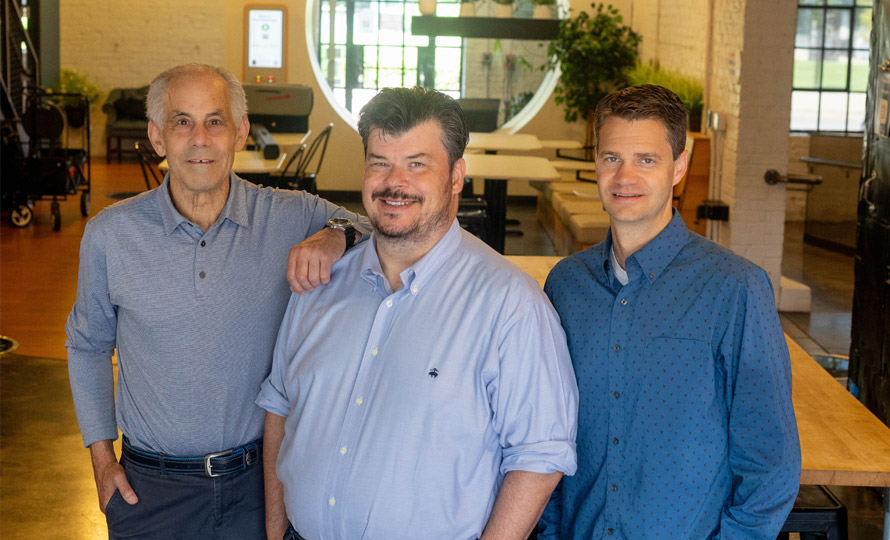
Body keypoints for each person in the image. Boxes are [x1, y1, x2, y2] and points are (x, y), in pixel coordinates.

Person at [257, 86, 579, 540]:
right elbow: (280, 408)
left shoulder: (511, 304)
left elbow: (540, 456)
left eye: (417, 164)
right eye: (379, 162)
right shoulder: (317, 285)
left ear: (455, 176)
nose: (394, 182)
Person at [66, 63, 370, 539]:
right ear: (157, 136)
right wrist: (101, 460)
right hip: (149, 491)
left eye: (215, 121)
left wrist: (336, 234)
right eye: (182, 121)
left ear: (241, 132)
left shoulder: (288, 214)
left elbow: (378, 226)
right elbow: (87, 345)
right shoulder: (111, 234)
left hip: (259, 485)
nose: (200, 138)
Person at [539, 84, 801, 539]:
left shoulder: (734, 288)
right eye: (611, 158)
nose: (624, 178)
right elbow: (546, 432)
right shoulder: (566, 285)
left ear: (678, 166)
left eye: (646, 159)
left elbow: (770, 459)